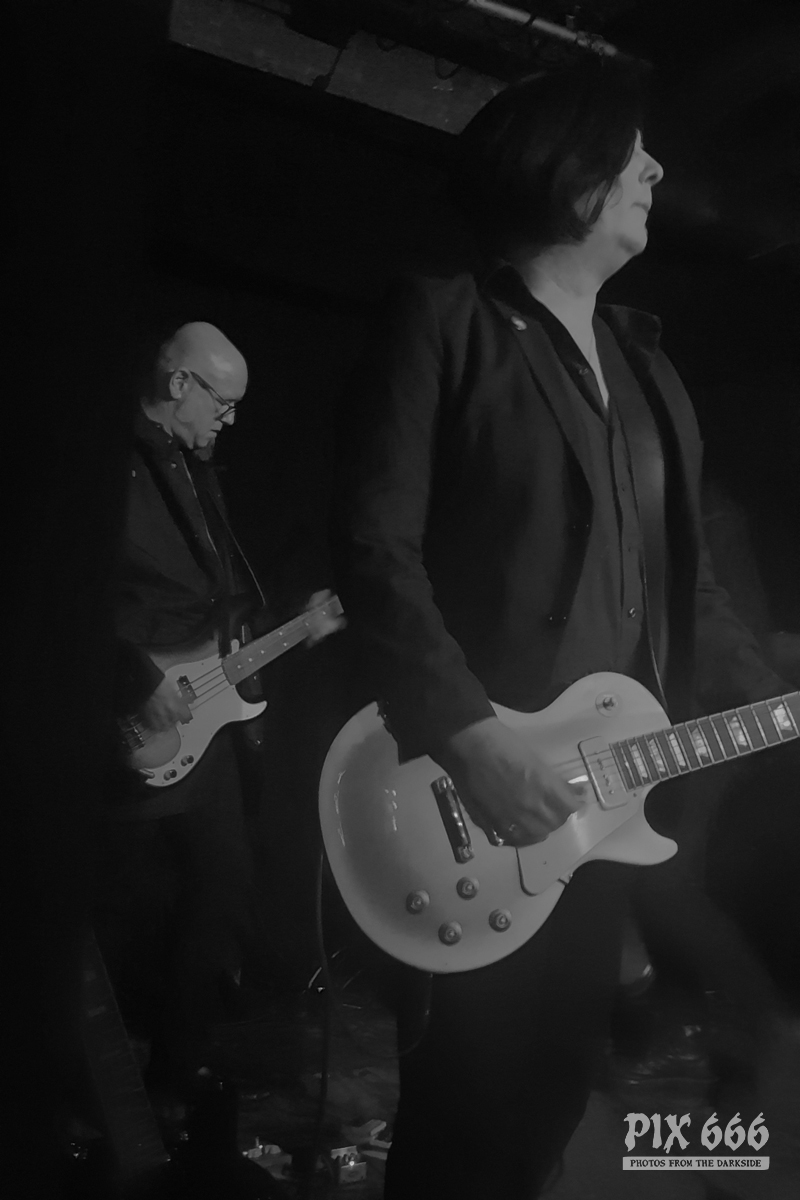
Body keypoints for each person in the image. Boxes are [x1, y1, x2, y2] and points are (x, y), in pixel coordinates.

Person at [330, 58, 788, 1199]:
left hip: (604, 807)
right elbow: (373, 547)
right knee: (463, 1116)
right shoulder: (446, 319)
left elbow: (689, 593)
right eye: (631, 152)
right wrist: (467, 736)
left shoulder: (648, 371)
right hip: (472, 795)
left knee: (545, 1097)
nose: (656, 170)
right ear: (562, 169)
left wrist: (767, 703)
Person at [98, 321, 337, 1107]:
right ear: (179, 384)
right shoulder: (106, 459)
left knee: (225, 895)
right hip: (126, 720)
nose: (230, 420)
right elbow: (61, 592)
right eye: (223, 403)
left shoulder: (198, 473)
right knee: (121, 908)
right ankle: (86, 1087)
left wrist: (297, 625)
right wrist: (133, 678)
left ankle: (174, 1076)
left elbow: (220, 610)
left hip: (205, 725)